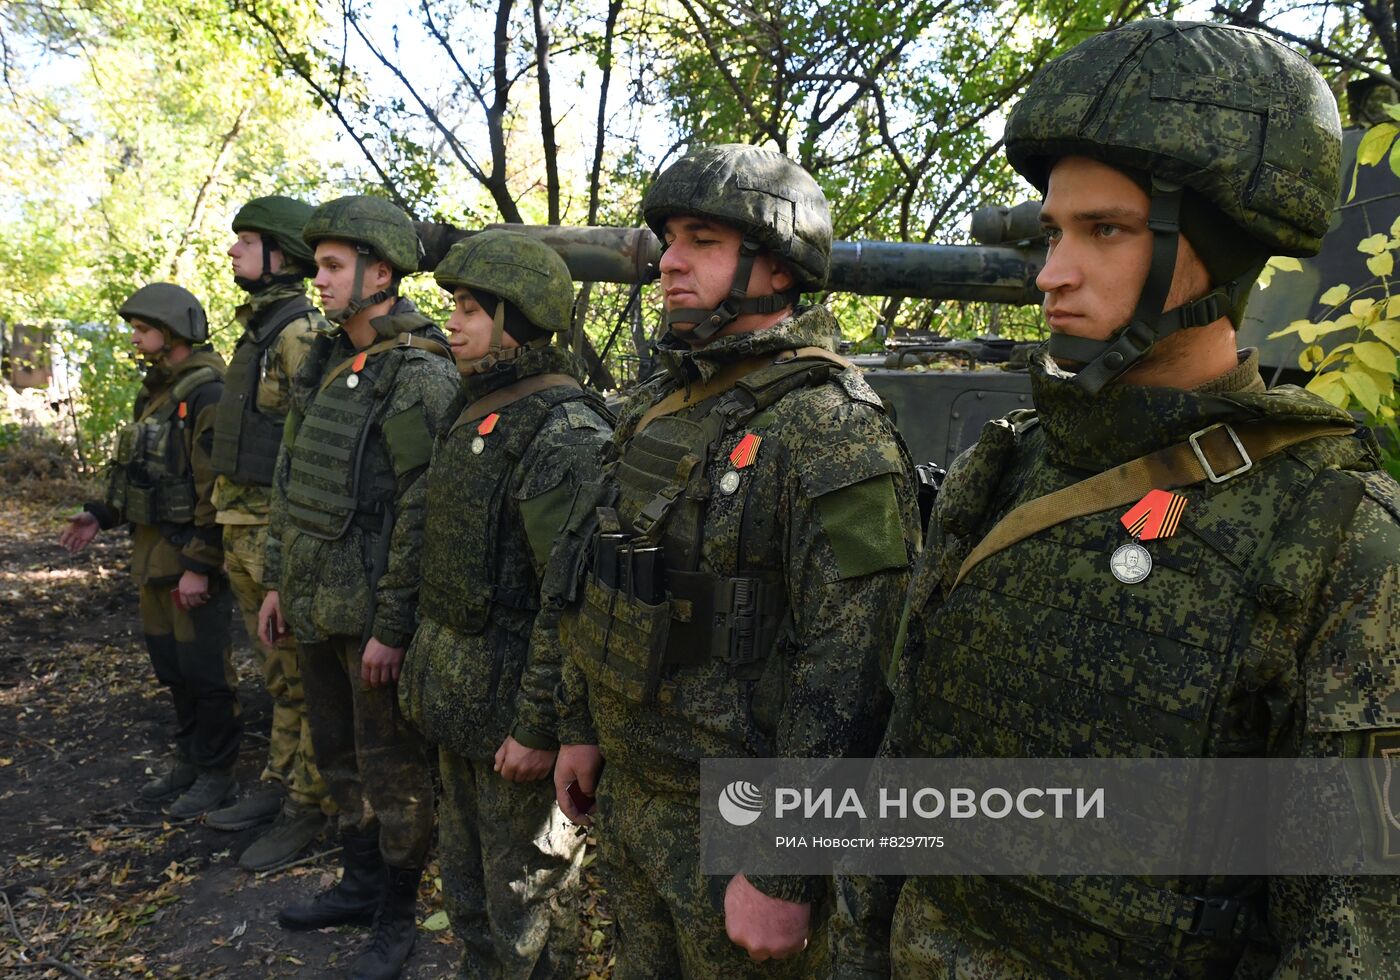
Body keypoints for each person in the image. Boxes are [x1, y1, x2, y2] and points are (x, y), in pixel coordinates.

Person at [878, 19, 1400, 977]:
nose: (1051, 273)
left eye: (1105, 231)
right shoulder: (1004, 468)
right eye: (1053, 233)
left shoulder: (1338, 536)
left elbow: (1354, 933)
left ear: (1223, 246)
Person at [550, 144, 920, 976]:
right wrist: (578, 726)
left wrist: (785, 866)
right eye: (670, 241)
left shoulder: (833, 429)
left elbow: (856, 667)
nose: (670, 263)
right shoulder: (656, 406)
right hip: (635, 792)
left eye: (703, 242)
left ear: (778, 267)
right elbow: (595, 575)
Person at [398, 229, 612, 979]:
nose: (451, 323)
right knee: (470, 902)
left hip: (516, 728)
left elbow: (570, 601)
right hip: (461, 710)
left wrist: (541, 727)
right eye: (453, 306)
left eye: (470, 309)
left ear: (516, 320)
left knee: (529, 914)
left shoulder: (564, 431)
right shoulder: (474, 410)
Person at [257, 195, 458, 980]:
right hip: (315, 603)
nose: (320, 279)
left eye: (335, 266)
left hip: (370, 614)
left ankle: (396, 918)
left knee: (393, 772)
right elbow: (290, 479)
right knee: (338, 757)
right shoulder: (326, 359)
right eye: (319, 266)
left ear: (381, 275)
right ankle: (359, 885)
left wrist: (394, 626)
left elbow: (423, 509)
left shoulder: (417, 373)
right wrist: (278, 580)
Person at [60, 283, 240, 820]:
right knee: (172, 668)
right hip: (153, 558)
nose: (135, 338)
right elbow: (145, 476)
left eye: (143, 329)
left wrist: (200, 566)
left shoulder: (208, 394)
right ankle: (190, 758)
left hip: (189, 561)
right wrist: (100, 514)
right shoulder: (157, 392)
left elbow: (216, 489)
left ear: (174, 330)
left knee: (205, 672)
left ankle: (217, 771)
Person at [203, 195, 336, 871]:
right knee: (278, 676)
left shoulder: (300, 334)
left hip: (274, 533)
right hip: (241, 525)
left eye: (246, 240)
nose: (233, 250)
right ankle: (284, 782)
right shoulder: (259, 331)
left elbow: (312, 450)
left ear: (280, 256)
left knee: (302, 675)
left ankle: (310, 804)